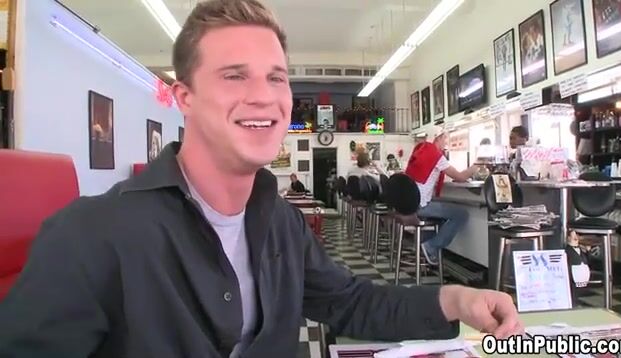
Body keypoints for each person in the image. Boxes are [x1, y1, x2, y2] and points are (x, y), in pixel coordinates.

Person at [0, 1, 522, 357]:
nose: (264, 96)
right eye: (234, 76)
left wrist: (456, 299)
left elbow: (351, 302)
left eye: (275, 77)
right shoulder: (89, 237)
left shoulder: (282, 226)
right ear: (184, 98)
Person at [405, 129, 479, 265]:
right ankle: (431, 246)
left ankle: (423, 249)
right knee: (461, 214)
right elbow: (461, 176)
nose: (447, 141)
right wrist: (477, 165)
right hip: (420, 205)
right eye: (445, 138)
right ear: (438, 138)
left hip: (408, 203)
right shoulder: (437, 156)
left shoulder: (421, 149)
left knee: (439, 217)